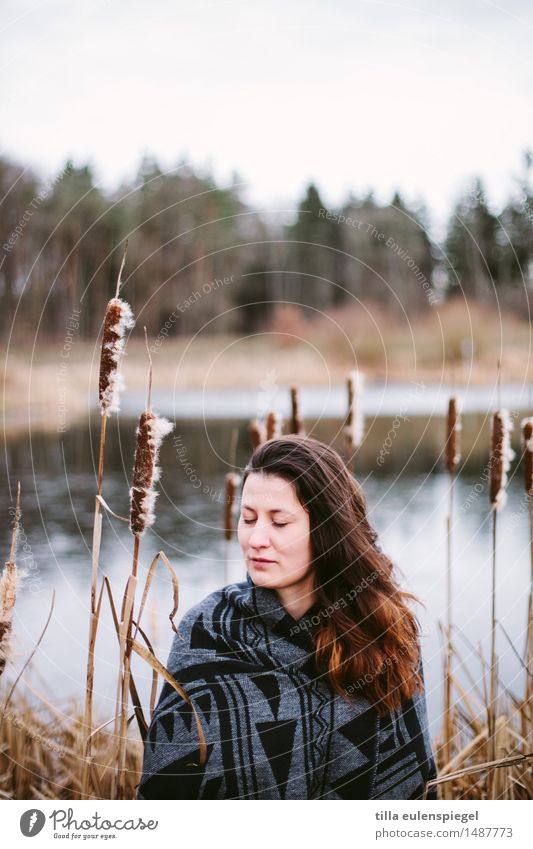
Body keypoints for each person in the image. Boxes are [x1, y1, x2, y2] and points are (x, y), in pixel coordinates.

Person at [138, 435, 437, 799]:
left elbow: (413, 782)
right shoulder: (208, 630)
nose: (255, 539)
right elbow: (166, 789)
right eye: (248, 519)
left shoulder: (383, 627)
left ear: (328, 530)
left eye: (279, 523)